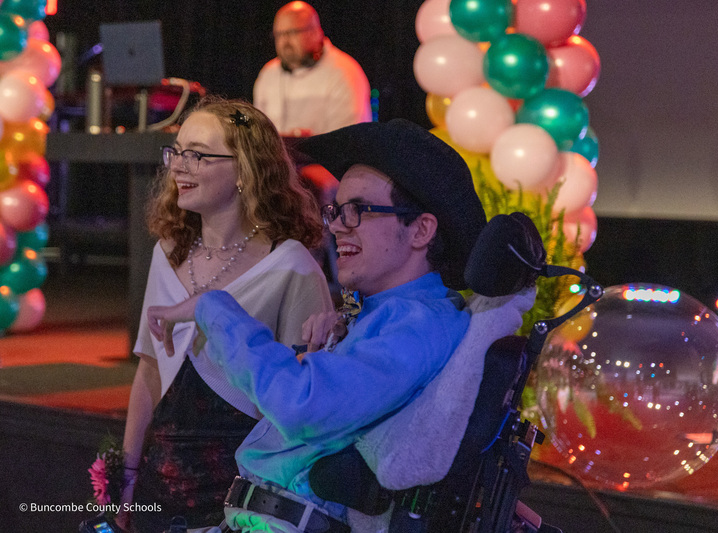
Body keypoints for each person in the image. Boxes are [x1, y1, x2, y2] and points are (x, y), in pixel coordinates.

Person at [146, 118, 488, 532]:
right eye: (337, 210)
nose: (338, 225)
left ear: (421, 230)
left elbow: (302, 405)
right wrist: (331, 345)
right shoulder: (387, 316)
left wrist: (214, 309)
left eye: (358, 210)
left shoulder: (417, 324)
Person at [118, 96, 333, 532]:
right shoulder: (168, 253)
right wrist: (126, 481)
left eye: (196, 154)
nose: (178, 166)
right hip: (159, 493)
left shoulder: (290, 265)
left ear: (245, 170)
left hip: (238, 496)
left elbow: (302, 404)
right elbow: (149, 374)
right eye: (175, 151)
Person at [253, 1, 372, 137]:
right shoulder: (268, 74)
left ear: (315, 32)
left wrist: (305, 144)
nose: (285, 42)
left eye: (292, 32)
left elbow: (349, 141)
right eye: (279, 34)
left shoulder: (344, 73)